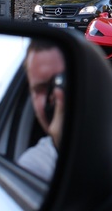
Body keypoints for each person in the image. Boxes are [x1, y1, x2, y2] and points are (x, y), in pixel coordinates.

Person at [17, 39, 66, 181]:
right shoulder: (32, 165)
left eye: (61, 82)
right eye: (41, 89)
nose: (56, 95)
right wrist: (58, 142)